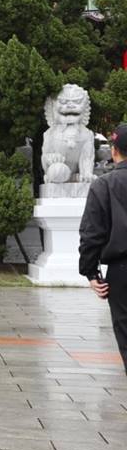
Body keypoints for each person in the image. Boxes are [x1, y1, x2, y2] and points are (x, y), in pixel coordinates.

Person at [79, 123, 127, 373]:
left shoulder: (105, 185)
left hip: (122, 272)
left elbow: (92, 233)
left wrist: (91, 272)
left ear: (114, 150)